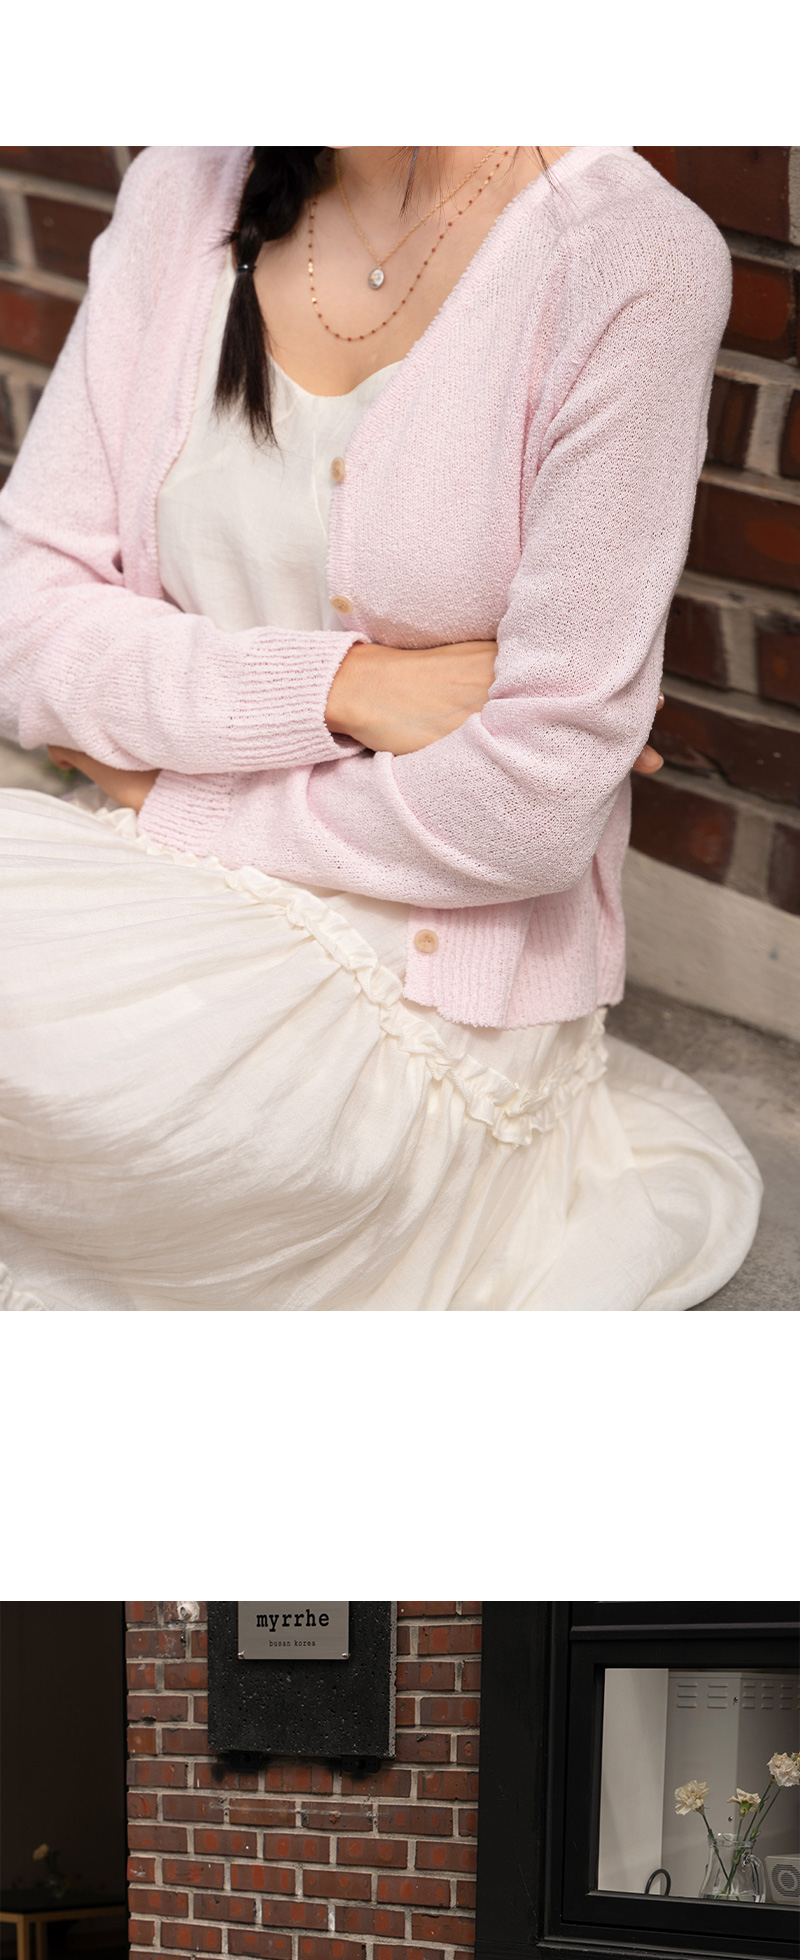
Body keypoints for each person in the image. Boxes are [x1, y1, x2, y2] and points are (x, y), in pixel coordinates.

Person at [0, 143, 760, 1312]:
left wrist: (169, 788)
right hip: (146, 870)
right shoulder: (187, 183)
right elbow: (25, 616)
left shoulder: (625, 256)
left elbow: (525, 812)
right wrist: (339, 687)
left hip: (422, 970)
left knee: (99, 1076)